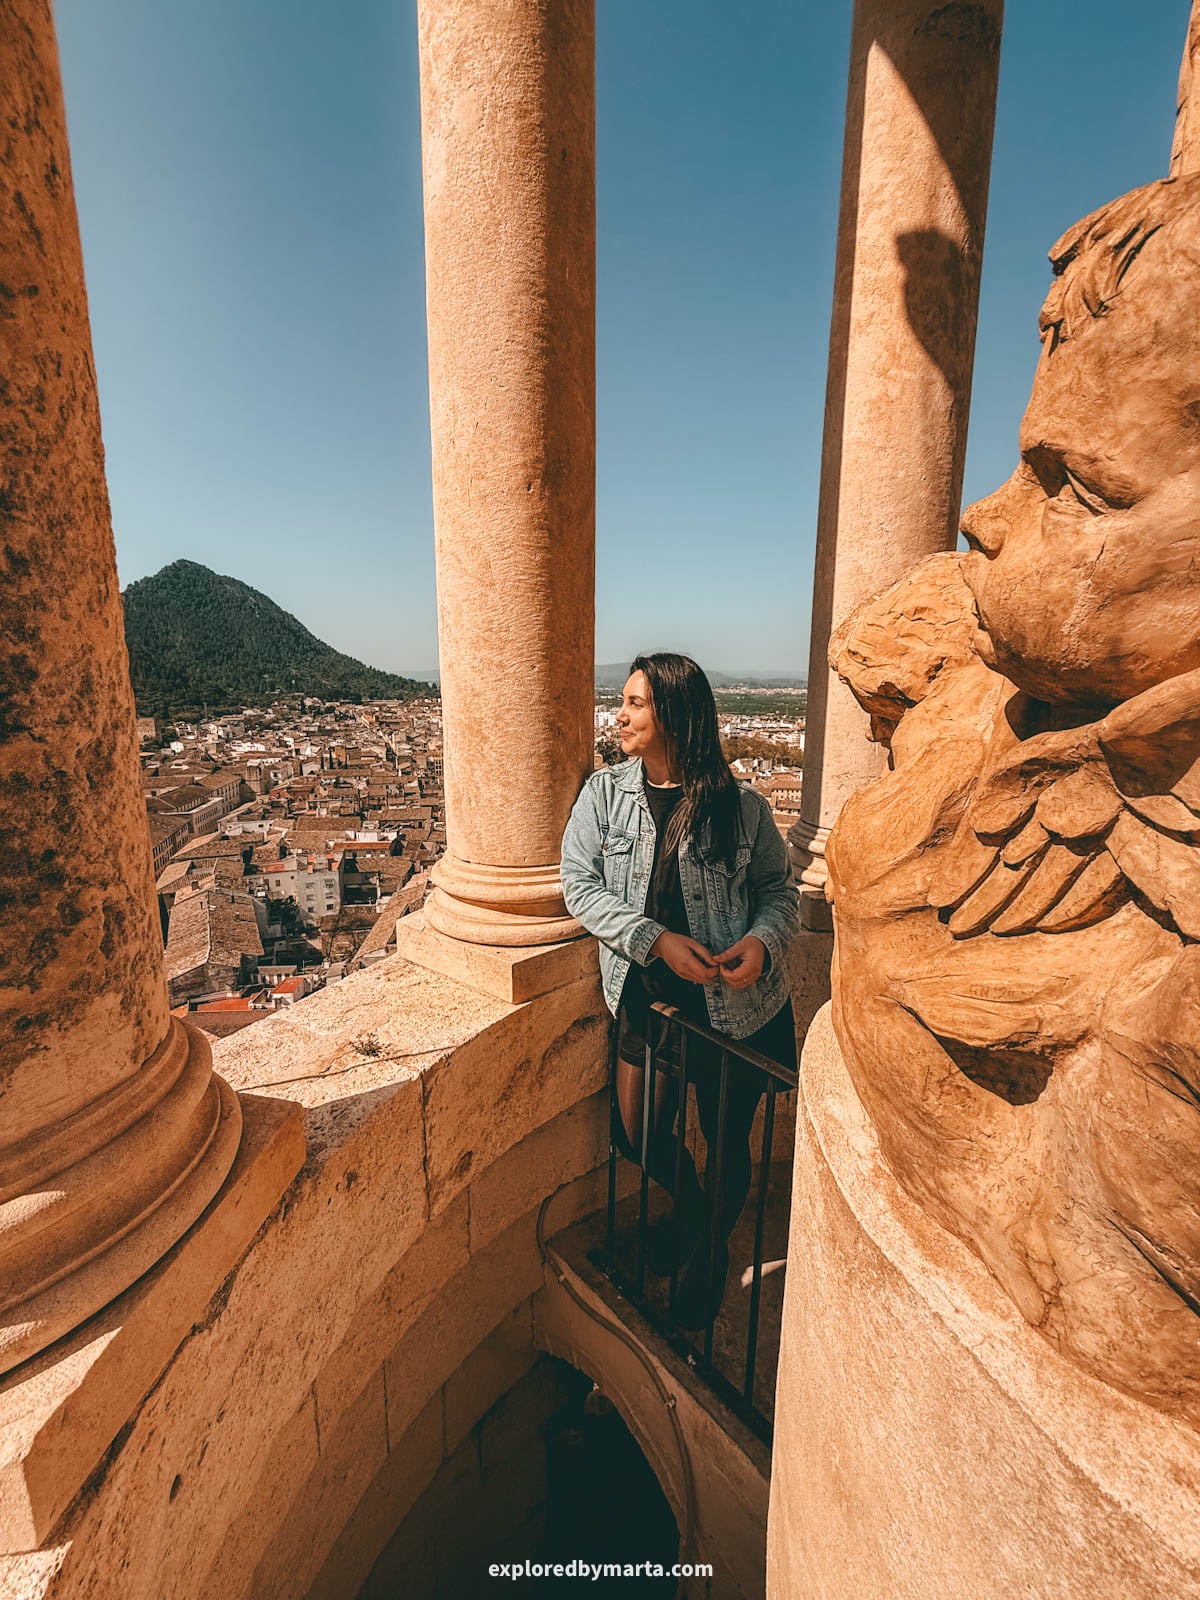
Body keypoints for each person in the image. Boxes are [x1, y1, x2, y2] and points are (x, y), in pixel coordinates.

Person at [560, 653, 799, 1327]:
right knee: (637, 1137)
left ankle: (711, 1252)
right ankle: (696, 1217)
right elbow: (579, 886)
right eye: (624, 701)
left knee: (728, 1148)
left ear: (674, 714)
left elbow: (778, 894)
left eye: (636, 704)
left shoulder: (743, 807)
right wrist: (652, 940)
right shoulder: (605, 796)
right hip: (650, 1001)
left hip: (738, 1008)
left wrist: (761, 944)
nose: (620, 715)